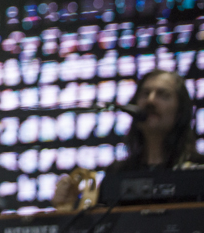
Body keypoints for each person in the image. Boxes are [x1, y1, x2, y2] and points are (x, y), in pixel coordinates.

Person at [52, 68, 202, 209]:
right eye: (145, 94)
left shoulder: (198, 167)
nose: (150, 101)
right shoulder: (117, 173)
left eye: (163, 95)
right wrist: (69, 206)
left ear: (180, 112)